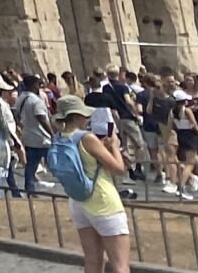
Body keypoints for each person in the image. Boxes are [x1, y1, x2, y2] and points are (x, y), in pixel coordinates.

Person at [45, 93, 131, 273]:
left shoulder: (59, 137)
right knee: (120, 265)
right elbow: (119, 168)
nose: (87, 117)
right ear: (76, 116)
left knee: (93, 262)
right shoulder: (87, 138)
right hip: (103, 200)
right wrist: (114, 145)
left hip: (78, 200)